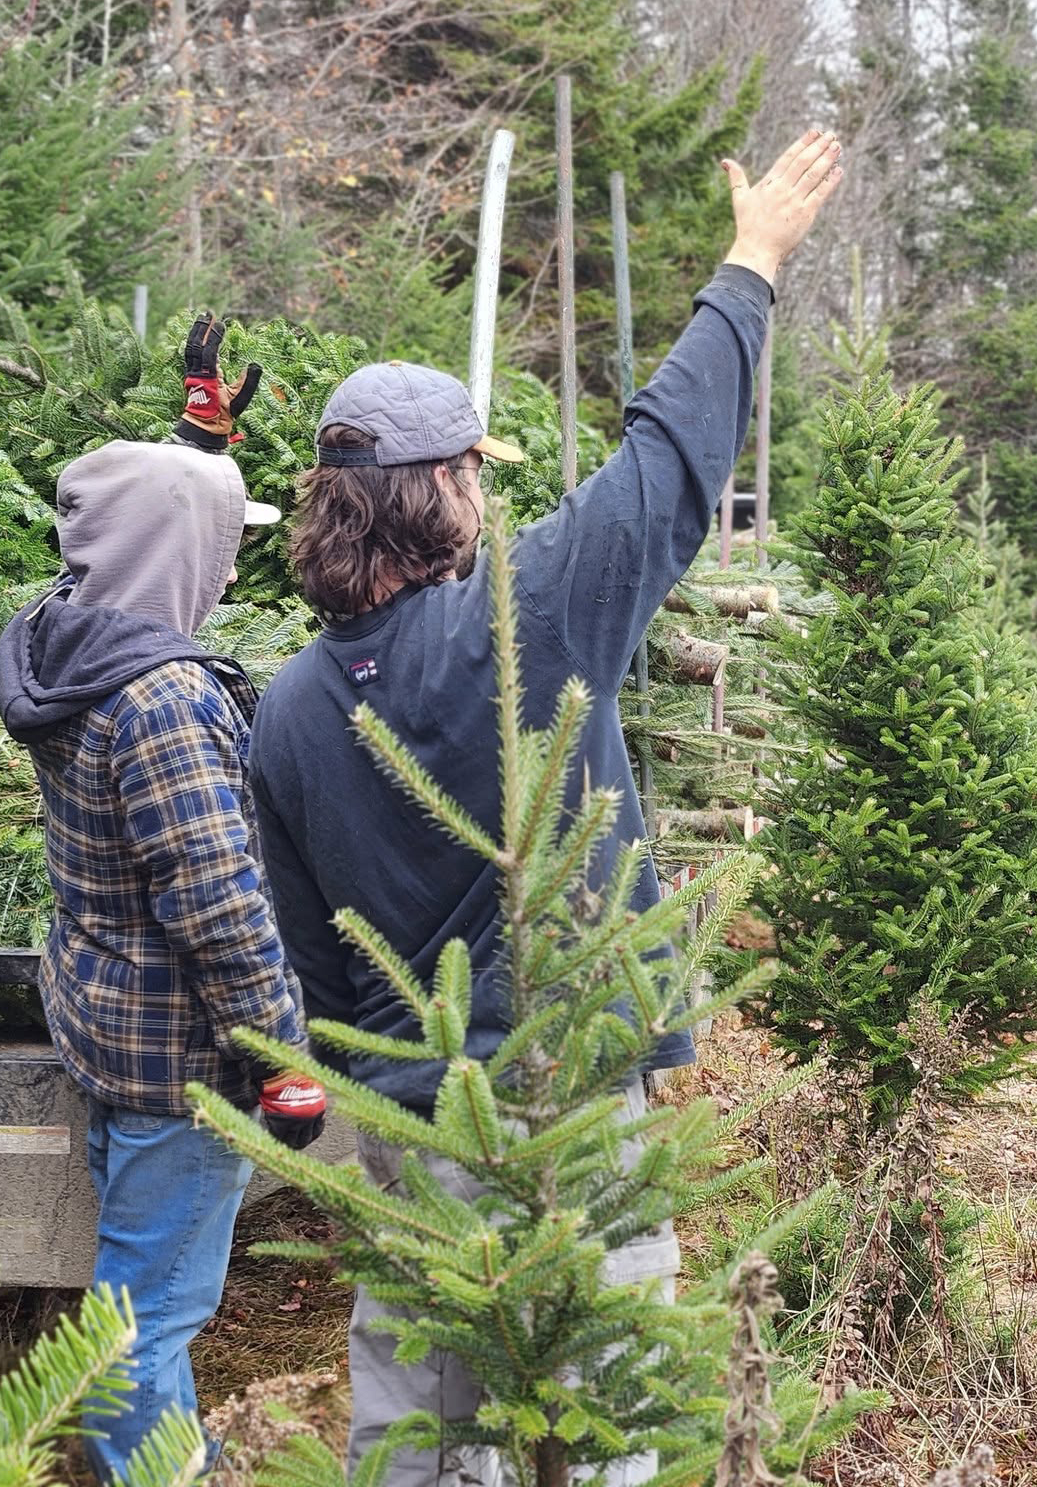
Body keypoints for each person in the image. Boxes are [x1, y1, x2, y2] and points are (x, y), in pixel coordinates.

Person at [248, 128, 843, 1486]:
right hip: (566, 1103)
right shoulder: (522, 622)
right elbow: (663, 468)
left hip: (410, 1121)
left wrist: (365, 1091)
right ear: (442, 490)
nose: (485, 493)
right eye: (475, 472)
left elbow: (307, 956)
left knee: (414, 1417)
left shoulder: (284, 707)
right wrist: (750, 266)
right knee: (604, 1410)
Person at [0, 316, 328, 1480]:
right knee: (149, 1314)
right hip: (184, 1063)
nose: (230, 571)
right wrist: (282, 1062)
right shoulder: (166, 699)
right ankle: (151, 1466)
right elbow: (220, 907)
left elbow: (127, 529)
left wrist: (198, 456)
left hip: (105, 1021)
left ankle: (174, 1453)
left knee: (138, 1284)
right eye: (222, 548)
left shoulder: (64, 641)